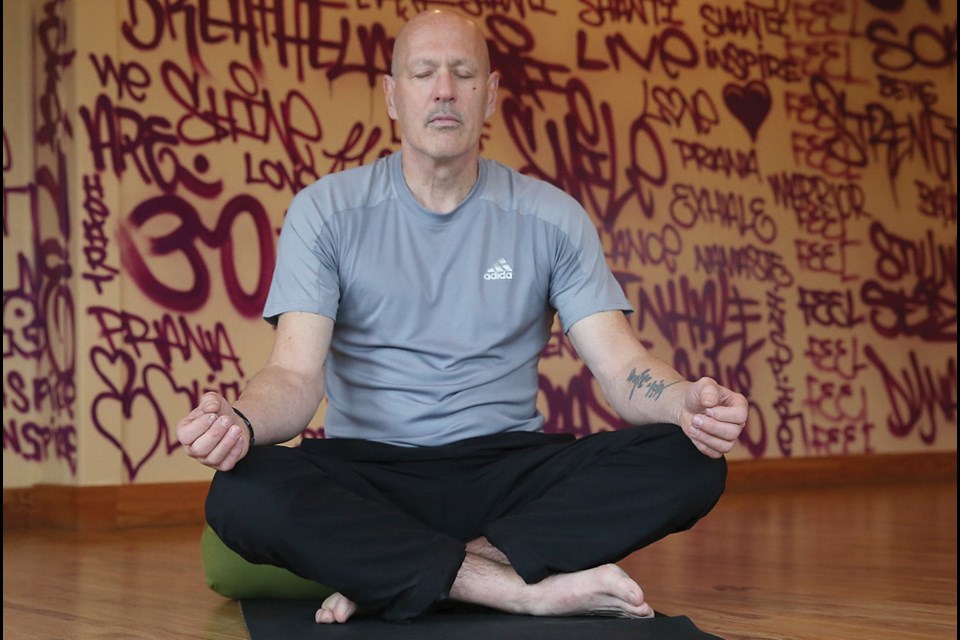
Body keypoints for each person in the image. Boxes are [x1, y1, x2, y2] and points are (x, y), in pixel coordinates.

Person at [177, 9, 748, 626]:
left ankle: (418, 573)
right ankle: (517, 589)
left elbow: (623, 367)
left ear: (490, 94)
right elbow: (292, 375)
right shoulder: (326, 213)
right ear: (393, 97)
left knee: (691, 461)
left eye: (463, 73)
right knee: (241, 492)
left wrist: (685, 400)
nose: (444, 90)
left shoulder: (551, 217)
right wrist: (237, 420)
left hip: (507, 473)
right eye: (423, 73)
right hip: (371, 474)